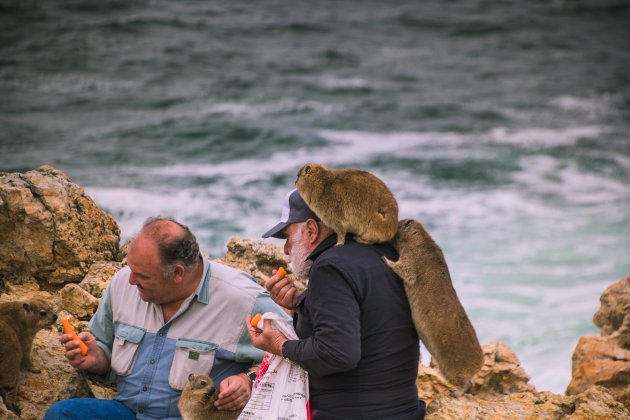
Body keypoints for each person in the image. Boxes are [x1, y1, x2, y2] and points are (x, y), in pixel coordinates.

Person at [45, 217, 288, 420]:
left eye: (142, 276)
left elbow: (293, 356)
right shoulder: (122, 283)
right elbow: (104, 350)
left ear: (177, 274)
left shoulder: (243, 300)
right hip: (126, 412)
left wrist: (249, 379)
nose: (131, 281)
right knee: (62, 414)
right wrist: (96, 357)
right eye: (131, 270)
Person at [247, 189, 425, 419]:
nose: (286, 250)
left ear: (311, 230)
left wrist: (280, 345)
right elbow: (371, 321)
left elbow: (338, 354)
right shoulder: (384, 252)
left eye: (288, 237)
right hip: (403, 409)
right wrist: (300, 302)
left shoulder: (329, 267)